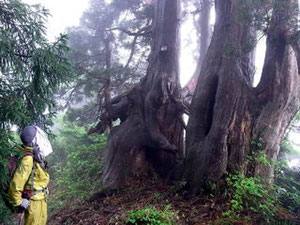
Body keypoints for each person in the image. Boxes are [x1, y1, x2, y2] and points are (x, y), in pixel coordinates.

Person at [9, 126, 52, 225]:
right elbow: (16, 183)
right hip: (33, 202)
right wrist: (19, 202)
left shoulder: (35, 154)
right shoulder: (28, 159)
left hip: (41, 198)